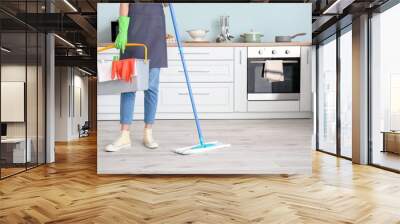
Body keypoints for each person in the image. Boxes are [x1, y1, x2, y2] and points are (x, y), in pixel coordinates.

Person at [105, 3, 168, 152]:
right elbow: (124, 3)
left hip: (156, 35)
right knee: (128, 87)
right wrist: (122, 30)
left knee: (151, 88)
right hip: (133, 33)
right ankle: (124, 135)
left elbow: (164, 5)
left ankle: (148, 132)